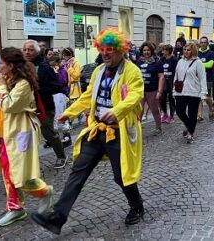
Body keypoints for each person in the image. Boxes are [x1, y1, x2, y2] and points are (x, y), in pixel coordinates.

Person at [30, 28, 145, 234]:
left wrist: (116, 111)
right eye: (102, 49)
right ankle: (57, 218)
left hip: (118, 132)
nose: (106, 53)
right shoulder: (99, 71)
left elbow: (135, 95)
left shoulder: (132, 71)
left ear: (120, 50)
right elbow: (87, 96)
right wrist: (69, 113)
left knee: (122, 176)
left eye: (110, 49)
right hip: (96, 131)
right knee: (78, 171)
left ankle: (137, 206)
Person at [0, 47, 54, 226]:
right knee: (8, 172)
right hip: (5, 133)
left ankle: (44, 192)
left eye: (1, 62)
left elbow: (9, 105)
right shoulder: (9, 79)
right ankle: (15, 208)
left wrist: (0, 88)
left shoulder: (23, 83)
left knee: (21, 174)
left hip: (21, 133)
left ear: (11, 65)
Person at [22, 40, 68, 168]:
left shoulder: (44, 66)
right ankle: (29, 163)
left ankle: (61, 156)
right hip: (26, 107)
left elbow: (56, 86)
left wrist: (37, 89)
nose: (27, 52)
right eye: (25, 49)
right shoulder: (22, 66)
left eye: (30, 50)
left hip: (44, 106)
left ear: (37, 51)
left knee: (48, 133)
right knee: (27, 134)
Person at [174, 43, 207, 143]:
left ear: (193, 51)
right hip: (180, 92)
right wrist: (173, 90)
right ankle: (190, 126)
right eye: (185, 49)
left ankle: (190, 133)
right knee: (179, 111)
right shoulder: (180, 61)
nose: (186, 51)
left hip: (193, 92)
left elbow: (202, 79)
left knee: (192, 114)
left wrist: (203, 93)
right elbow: (176, 76)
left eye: (188, 50)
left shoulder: (198, 63)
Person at [137, 41, 165, 135]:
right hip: (140, 90)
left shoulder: (157, 61)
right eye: (144, 50)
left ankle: (158, 126)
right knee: (139, 110)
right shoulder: (139, 61)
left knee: (154, 109)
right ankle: (137, 128)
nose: (146, 52)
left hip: (152, 90)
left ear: (152, 51)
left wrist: (159, 91)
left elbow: (161, 76)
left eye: (148, 50)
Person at [48, 56, 72, 146]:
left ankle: (67, 137)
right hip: (53, 95)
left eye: (53, 65)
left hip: (60, 95)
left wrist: (56, 73)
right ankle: (56, 138)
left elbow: (62, 82)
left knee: (61, 116)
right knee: (54, 118)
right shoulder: (53, 71)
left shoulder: (62, 71)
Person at [197, 36, 214, 121]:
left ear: (207, 43)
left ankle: (211, 109)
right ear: (199, 44)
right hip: (197, 79)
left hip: (208, 78)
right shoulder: (197, 53)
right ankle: (200, 115)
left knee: (207, 97)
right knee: (199, 97)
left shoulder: (211, 53)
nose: (203, 44)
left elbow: (210, 65)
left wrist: (199, 64)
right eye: (202, 42)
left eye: (205, 42)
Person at [160, 44, 178, 124]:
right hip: (163, 81)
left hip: (171, 80)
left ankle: (171, 116)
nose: (162, 51)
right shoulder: (162, 59)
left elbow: (176, 71)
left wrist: (175, 82)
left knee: (171, 98)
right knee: (162, 98)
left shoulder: (174, 59)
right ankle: (165, 114)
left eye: (164, 49)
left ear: (168, 51)